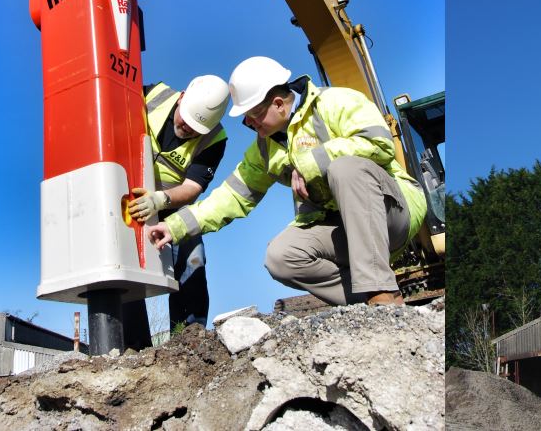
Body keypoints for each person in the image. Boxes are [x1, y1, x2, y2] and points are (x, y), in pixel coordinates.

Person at [145, 56, 427, 306]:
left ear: (278, 104)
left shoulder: (335, 102)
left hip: (393, 213)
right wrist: (174, 226)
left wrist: (310, 162)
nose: (250, 126)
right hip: (344, 226)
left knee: (345, 169)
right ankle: (369, 302)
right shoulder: (266, 149)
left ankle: (380, 292)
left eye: (252, 117)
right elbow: (230, 197)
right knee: (281, 257)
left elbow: (378, 143)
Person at [121, 75, 230, 347]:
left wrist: (161, 199)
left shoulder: (216, 138)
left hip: (172, 202)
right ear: (181, 97)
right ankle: (133, 346)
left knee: (193, 260)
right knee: (123, 260)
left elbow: (193, 187)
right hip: (130, 194)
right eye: (185, 120)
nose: (187, 129)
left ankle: (187, 340)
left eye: (196, 128)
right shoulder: (153, 95)